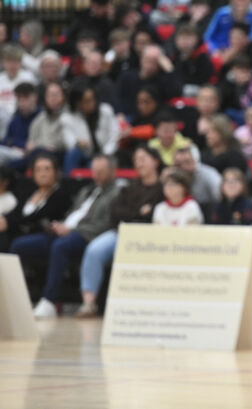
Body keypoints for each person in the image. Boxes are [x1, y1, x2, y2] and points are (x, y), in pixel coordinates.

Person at [10, 155, 118, 319]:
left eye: (101, 171)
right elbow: (71, 214)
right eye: (94, 171)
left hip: (85, 235)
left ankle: (50, 301)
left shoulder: (116, 193)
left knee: (60, 246)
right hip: (64, 230)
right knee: (19, 245)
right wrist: (58, 225)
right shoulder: (87, 190)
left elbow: (106, 223)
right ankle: (15, 299)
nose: (97, 175)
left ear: (112, 171)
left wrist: (73, 230)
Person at [76, 146, 163, 318]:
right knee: (94, 250)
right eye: (136, 160)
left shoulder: (162, 188)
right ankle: (88, 303)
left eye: (143, 159)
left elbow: (153, 216)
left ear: (156, 161)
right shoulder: (129, 187)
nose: (139, 163)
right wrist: (138, 213)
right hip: (121, 233)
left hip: (149, 237)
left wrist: (133, 215)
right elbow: (115, 213)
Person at [63, 85, 119, 175]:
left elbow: (115, 135)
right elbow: (69, 141)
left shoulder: (106, 111)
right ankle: (68, 182)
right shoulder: (68, 117)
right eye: (87, 101)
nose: (92, 103)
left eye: (93, 99)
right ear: (78, 103)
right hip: (85, 155)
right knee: (73, 154)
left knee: (97, 166)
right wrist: (78, 143)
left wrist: (105, 154)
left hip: (106, 154)